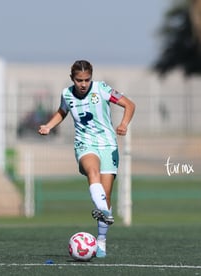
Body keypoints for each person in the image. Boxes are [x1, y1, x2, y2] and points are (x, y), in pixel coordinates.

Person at [38, 60, 135, 258]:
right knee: (93, 172)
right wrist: (49, 126)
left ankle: (101, 240)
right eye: (79, 80)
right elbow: (62, 112)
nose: (83, 84)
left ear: (92, 77)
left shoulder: (102, 89)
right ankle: (104, 212)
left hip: (108, 145)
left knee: (106, 198)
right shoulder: (67, 94)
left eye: (87, 79)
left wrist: (124, 124)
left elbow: (129, 105)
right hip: (85, 145)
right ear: (72, 78)